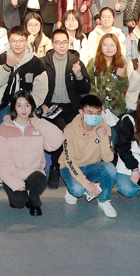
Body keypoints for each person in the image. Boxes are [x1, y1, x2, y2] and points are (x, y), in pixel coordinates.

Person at [0, 91, 64, 216]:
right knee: (18, 202)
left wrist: (38, 122)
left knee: (38, 181)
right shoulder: (4, 128)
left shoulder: (38, 126)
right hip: (13, 173)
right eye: (19, 105)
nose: (23, 109)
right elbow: (2, 162)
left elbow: (57, 140)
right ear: (14, 107)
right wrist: (16, 183)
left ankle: (33, 198)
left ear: (32, 107)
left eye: (27, 105)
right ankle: (21, 195)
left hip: (33, 173)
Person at [38, 28, 91, 187]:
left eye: (64, 42)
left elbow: (85, 89)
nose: (61, 45)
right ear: (52, 44)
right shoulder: (42, 63)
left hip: (71, 108)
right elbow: (35, 87)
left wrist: (79, 75)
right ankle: (55, 168)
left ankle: (69, 169)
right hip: (50, 108)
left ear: (69, 43)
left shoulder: (77, 62)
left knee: (72, 135)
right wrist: (42, 104)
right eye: (58, 42)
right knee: (60, 133)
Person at [57, 94, 119, 217]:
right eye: (90, 112)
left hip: (91, 166)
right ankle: (71, 189)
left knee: (110, 169)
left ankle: (103, 200)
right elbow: (70, 161)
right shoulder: (70, 129)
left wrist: (103, 138)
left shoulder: (104, 127)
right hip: (70, 167)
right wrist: (85, 183)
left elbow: (108, 159)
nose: (94, 116)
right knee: (78, 190)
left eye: (97, 113)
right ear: (81, 112)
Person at [0, 26, 48, 117]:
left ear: (27, 42)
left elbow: (41, 90)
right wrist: (7, 66)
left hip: (28, 106)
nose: (17, 44)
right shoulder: (1, 59)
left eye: (21, 41)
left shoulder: (36, 63)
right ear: (9, 42)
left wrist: (28, 105)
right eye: (14, 41)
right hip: (6, 105)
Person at [89, 33, 129, 117]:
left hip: (118, 110)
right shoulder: (93, 63)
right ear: (100, 47)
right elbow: (89, 86)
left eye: (112, 45)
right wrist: (97, 103)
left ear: (117, 47)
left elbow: (124, 88)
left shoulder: (122, 64)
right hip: (98, 109)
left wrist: (122, 77)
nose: (109, 48)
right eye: (105, 45)